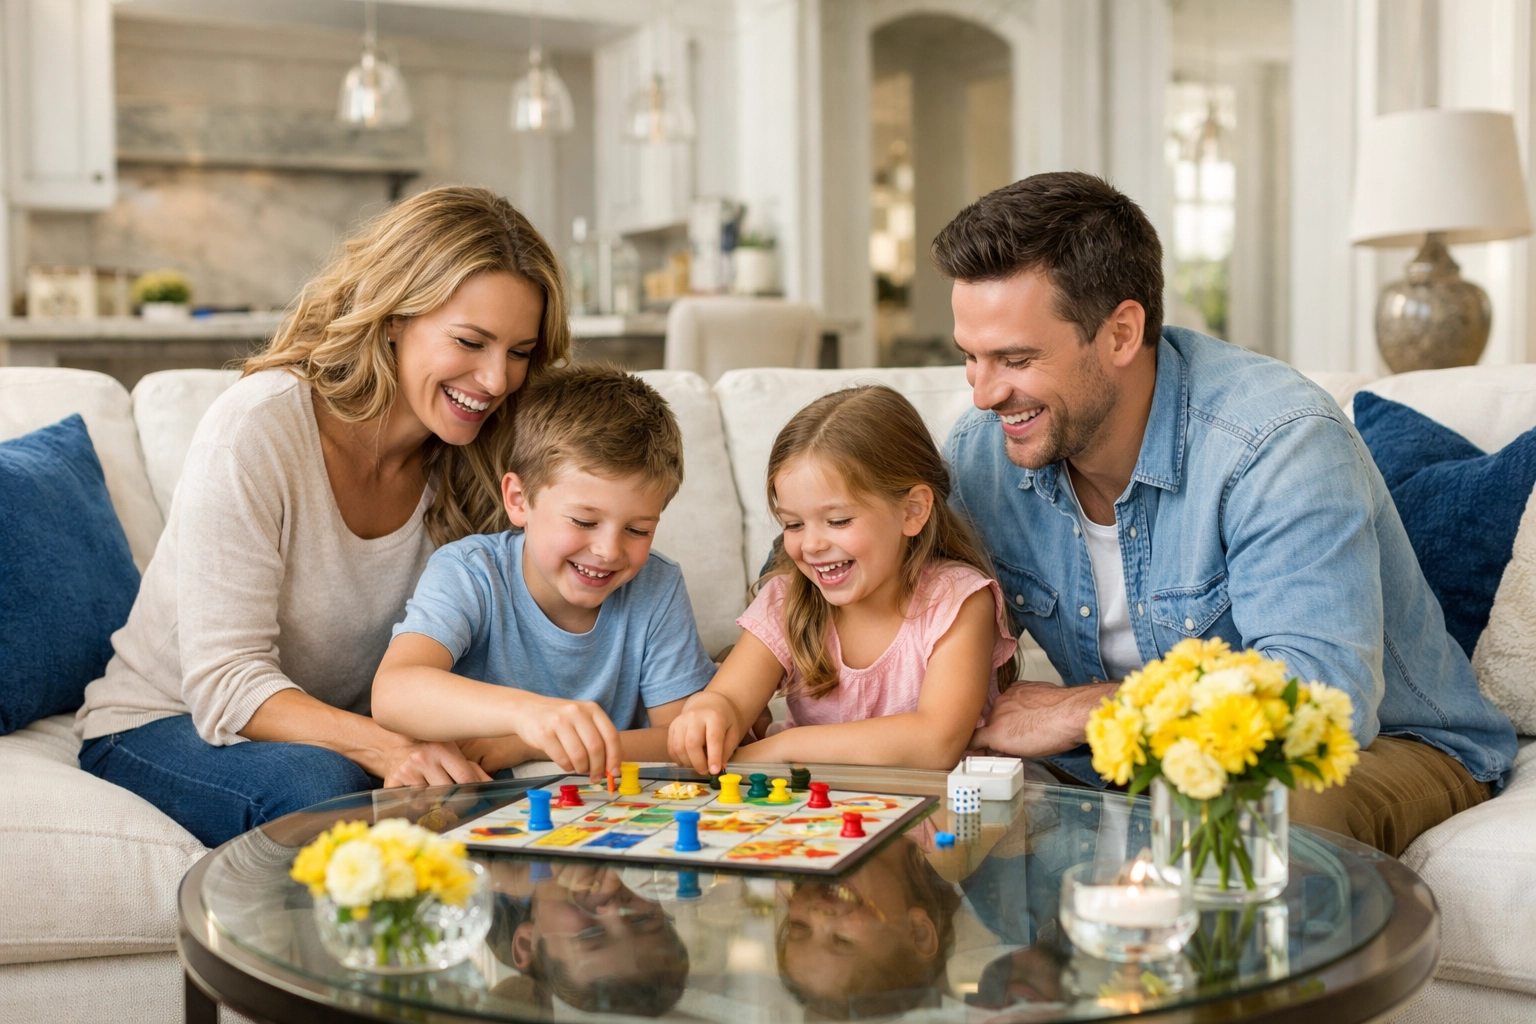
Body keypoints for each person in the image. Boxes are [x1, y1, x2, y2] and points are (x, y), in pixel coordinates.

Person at [938, 171, 1518, 855]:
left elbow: (1322, 703)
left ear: (1121, 333)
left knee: (1252, 808)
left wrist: (1091, 709)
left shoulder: (1275, 441)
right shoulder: (987, 454)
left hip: (1383, 748)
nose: (983, 393)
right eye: (970, 358)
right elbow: (873, 562)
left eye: (1015, 358)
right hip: (1149, 760)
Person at [76, 186, 568, 848]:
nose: (496, 380)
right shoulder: (261, 426)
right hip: (166, 722)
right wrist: (390, 749)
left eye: (518, 352)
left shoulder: (481, 457)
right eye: (471, 341)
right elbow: (225, 682)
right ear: (395, 317)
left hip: (335, 731)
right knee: (325, 791)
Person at [372, 366, 716, 779]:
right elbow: (394, 691)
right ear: (519, 500)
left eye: (638, 530)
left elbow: (679, 737)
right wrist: (527, 715)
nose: (608, 551)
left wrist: (530, 745)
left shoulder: (657, 586)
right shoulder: (471, 572)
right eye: (584, 522)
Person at [667, 385, 1016, 774]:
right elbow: (729, 698)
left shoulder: (959, 600)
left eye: (838, 521)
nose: (811, 545)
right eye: (793, 524)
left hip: (941, 819)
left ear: (912, 511)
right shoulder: (787, 601)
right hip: (817, 821)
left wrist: (786, 747)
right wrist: (707, 711)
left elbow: (935, 743)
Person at [777, 836, 961, 1019]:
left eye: (800, 926)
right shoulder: (955, 843)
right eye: (842, 940)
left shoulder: (799, 836)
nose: (818, 916)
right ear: (917, 932)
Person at [486, 860, 690, 1016]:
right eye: (643, 918)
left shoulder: (477, 886)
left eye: (590, 934)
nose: (615, 909)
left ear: (525, 943)